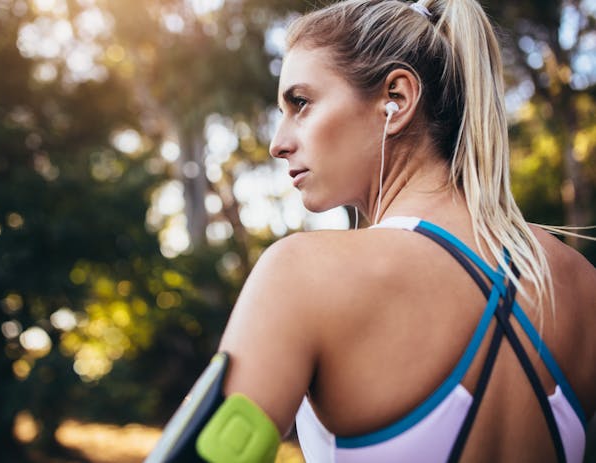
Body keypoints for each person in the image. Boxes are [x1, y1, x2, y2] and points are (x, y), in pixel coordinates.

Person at [146, 0, 596, 461]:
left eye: (300, 103)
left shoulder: (303, 275)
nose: (278, 143)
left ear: (395, 100)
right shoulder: (581, 283)